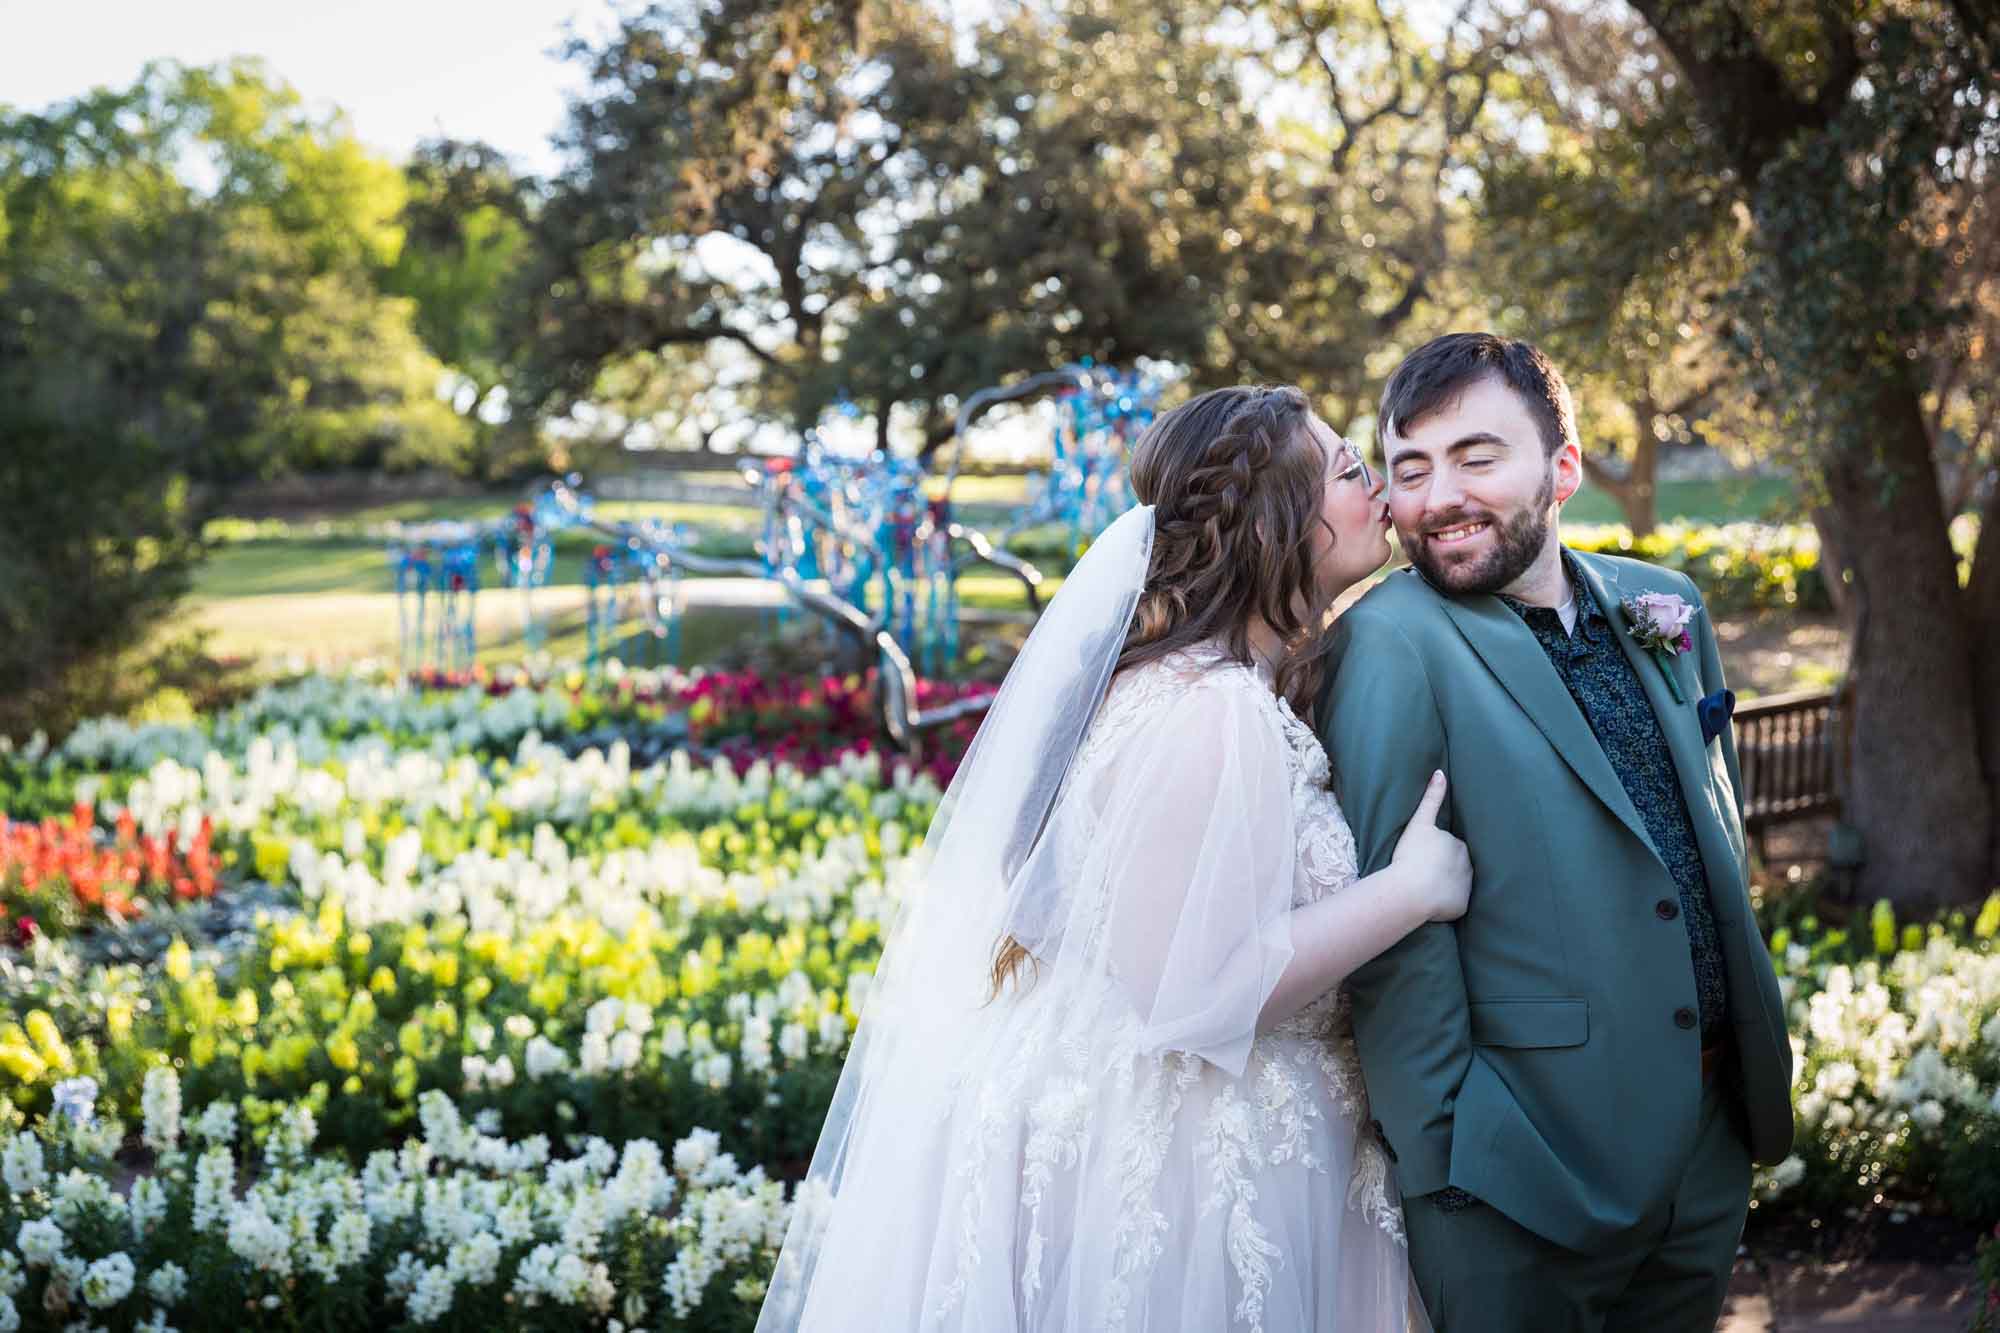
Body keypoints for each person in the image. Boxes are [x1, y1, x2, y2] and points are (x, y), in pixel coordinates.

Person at [756, 384, 1470, 1332]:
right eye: (1348, 470)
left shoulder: (1219, 685)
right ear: (1274, 525)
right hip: (1190, 1164)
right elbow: (1195, 990)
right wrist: (1408, 892)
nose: (1375, 487)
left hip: (1226, 1129)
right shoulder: (1208, 710)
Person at [1319, 333, 1795, 1332]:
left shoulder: (1666, 608)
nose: (1438, 494)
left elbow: (1711, 838)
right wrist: (1452, 1169)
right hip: (1514, 1183)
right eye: (1410, 468)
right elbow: (1390, 939)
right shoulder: (1387, 642)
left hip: (1704, 1151)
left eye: (1474, 456)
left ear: (1563, 466)